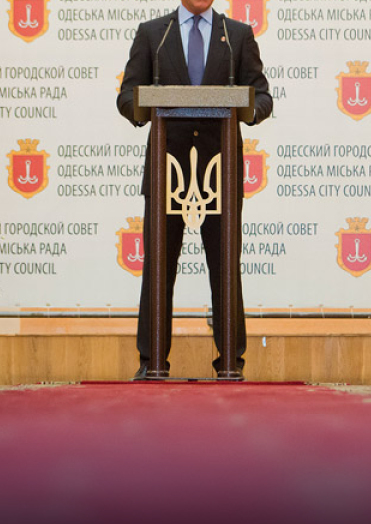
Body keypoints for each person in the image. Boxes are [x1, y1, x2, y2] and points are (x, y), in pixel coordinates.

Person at [116, 0, 273, 380]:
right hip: (166, 166)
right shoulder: (154, 34)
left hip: (220, 168)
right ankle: (151, 361)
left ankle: (231, 362)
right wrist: (142, 107)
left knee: (225, 267)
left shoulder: (237, 35)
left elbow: (262, 96)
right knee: (158, 268)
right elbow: (127, 95)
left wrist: (248, 109)